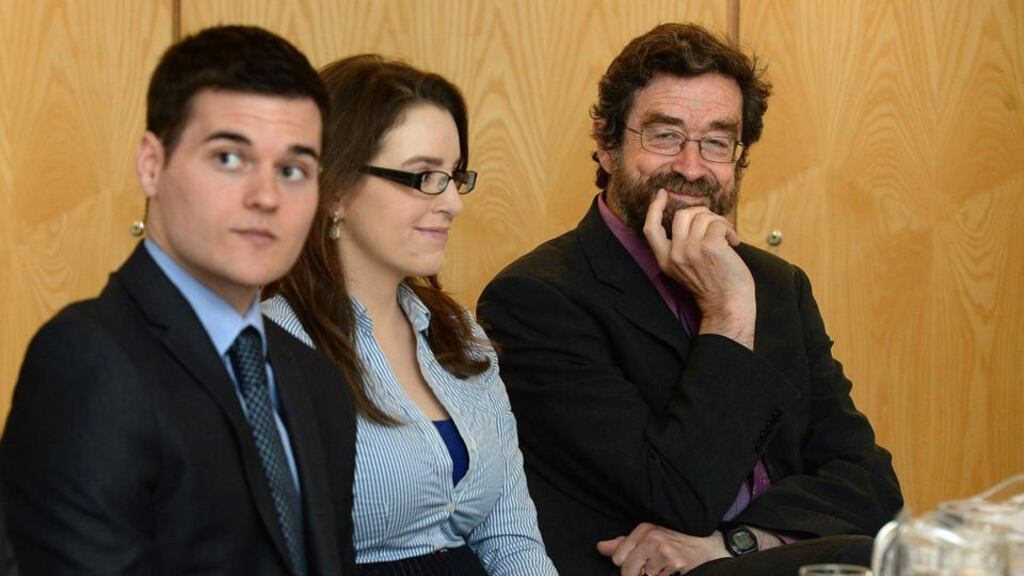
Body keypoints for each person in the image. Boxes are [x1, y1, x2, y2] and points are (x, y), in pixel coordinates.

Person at [476, 23, 903, 576]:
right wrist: (727, 315)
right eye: (665, 136)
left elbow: (873, 485)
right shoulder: (536, 300)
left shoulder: (776, 285)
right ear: (606, 145)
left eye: (717, 142)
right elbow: (675, 494)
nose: (692, 167)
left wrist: (741, 543)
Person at [0, 26, 357, 575]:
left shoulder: (315, 380)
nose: (266, 196)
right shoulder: (88, 361)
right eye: (229, 159)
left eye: (292, 170)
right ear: (151, 163)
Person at [262, 54, 556, 576]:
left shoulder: (460, 334)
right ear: (333, 190)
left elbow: (510, 533)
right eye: (423, 176)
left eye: (454, 176)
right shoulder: (265, 351)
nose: (453, 204)